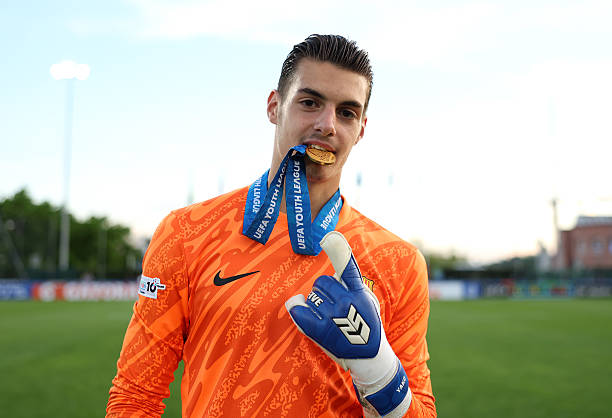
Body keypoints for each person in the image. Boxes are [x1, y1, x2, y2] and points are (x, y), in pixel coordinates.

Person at [107, 34, 436, 417]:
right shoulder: (185, 232)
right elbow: (136, 396)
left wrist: (379, 371)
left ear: (361, 130)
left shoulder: (399, 262)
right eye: (310, 103)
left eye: (347, 112)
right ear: (274, 107)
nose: (327, 125)